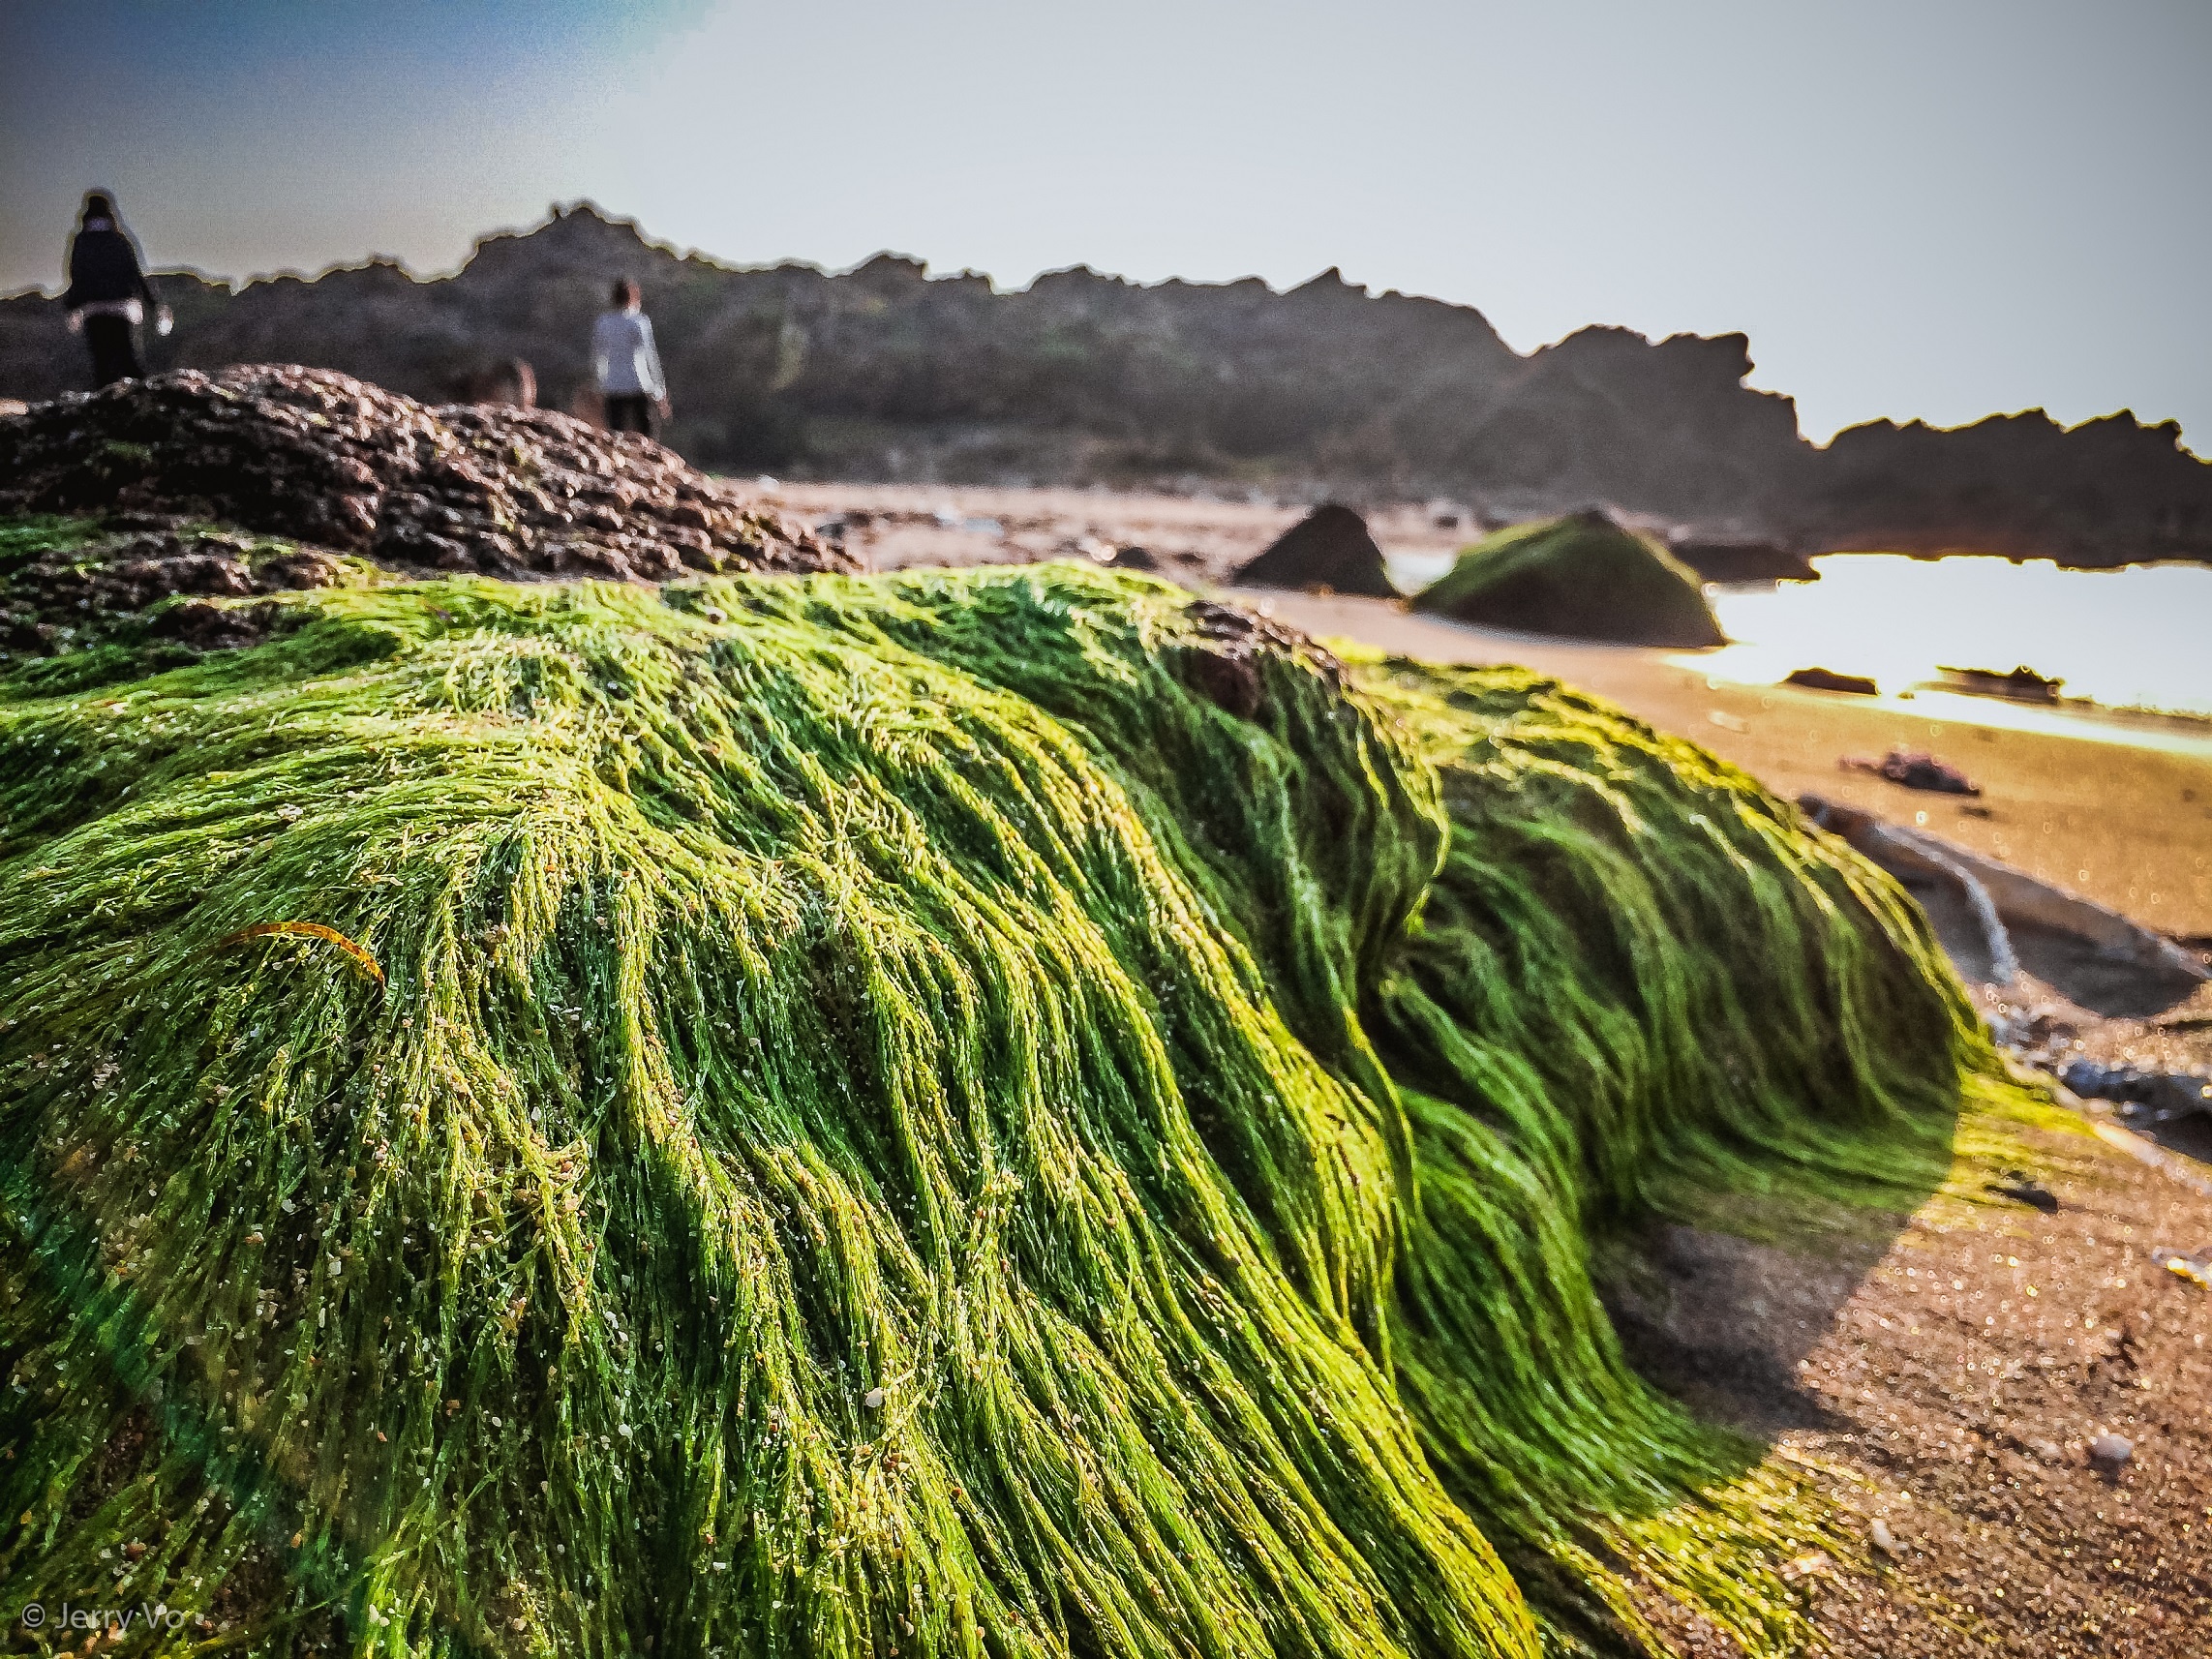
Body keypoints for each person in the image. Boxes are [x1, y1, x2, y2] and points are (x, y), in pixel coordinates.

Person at [64, 192, 169, 388]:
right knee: (129, 360)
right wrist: (153, 303)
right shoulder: (120, 240)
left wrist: (71, 306)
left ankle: (103, 408)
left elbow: (76, 275)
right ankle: (146, 401)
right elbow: (135, 273)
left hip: (93, 310)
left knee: (102, 366)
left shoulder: (81, 241)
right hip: (123, 309)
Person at [591, 278, 667, 437]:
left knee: (615, 434)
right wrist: (659, 390)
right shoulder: (639, 322)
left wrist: (599, 384)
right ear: (633, 298)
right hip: (637, 384)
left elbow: (599, 356)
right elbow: (650, 356)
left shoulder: (603, 323)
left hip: (613, 385)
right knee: (647, 434)